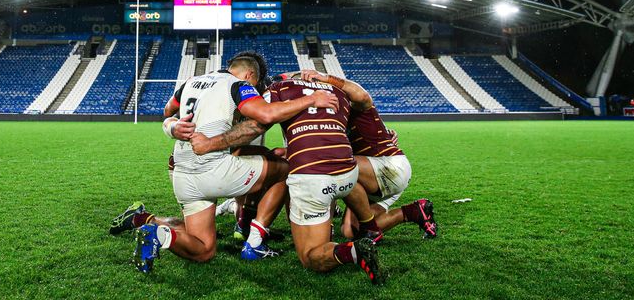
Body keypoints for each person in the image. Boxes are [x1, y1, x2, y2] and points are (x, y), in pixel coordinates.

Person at [129, 52, 338, 272]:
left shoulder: (191, 81)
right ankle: (255, 240)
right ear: (250, 75)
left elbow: (168, 112)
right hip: (212, 170)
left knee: (204, 250)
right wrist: (311, 99)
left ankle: (159, 234)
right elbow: (265, 114)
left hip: (183, 175)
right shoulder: (238, 84)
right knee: (285, 169)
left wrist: (172, 127)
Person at [190, 74, 386, 284]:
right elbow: (355, 110)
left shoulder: (279, 88)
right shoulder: (335, 90)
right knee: (335, 183)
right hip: (348, 172)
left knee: (310, 256)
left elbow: (256, 125)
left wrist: (211, 143)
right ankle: (368, 225)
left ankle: (354, 251)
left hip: (313, 177)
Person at [299, 70, 437, 241]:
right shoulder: (326, 120)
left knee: (333, 164)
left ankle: (361, 228)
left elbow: (363, 96)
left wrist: (326, 78)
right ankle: (414, 212)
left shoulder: (354, 105)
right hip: (368, 177)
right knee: (351, 231)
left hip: (389, 167)